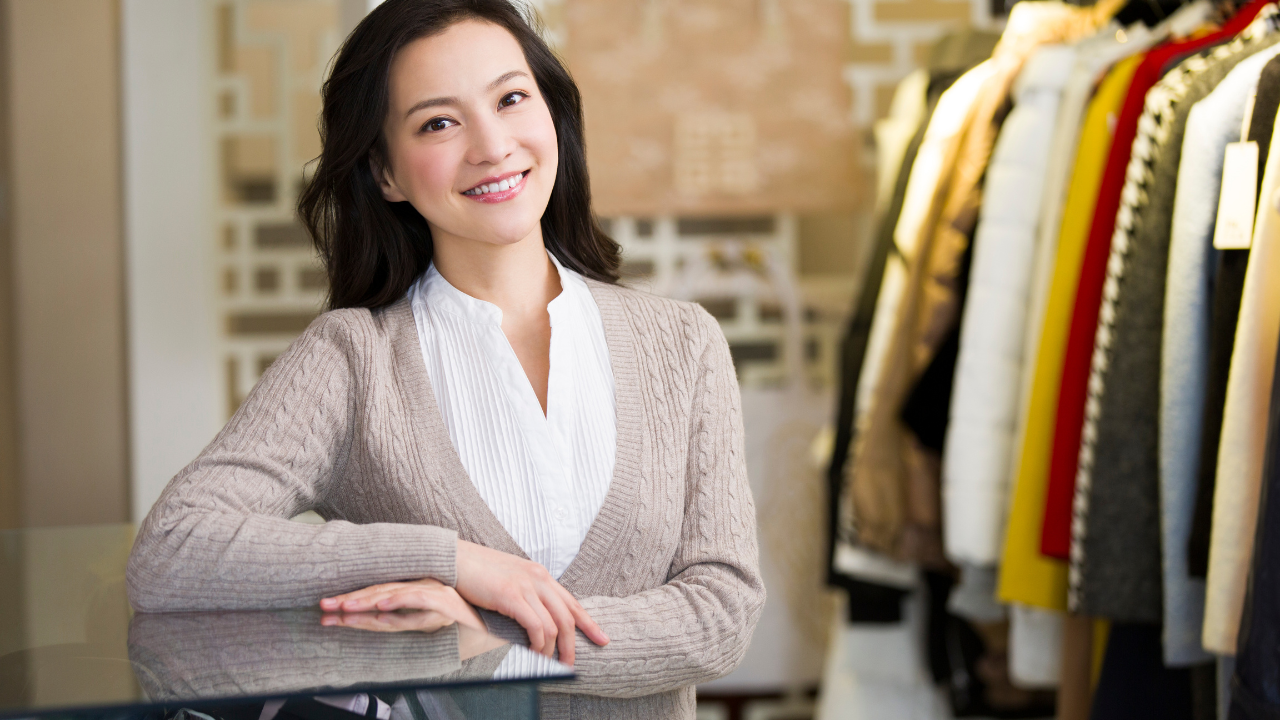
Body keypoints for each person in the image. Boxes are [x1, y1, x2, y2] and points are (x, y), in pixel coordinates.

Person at [125, 0, 764, 716]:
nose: (491, 146)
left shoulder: (682, 343)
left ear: (551, 114)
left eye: (511, 99)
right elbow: (174, 552)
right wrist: (454, 562)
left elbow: (722, 612)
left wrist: (488, 639)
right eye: (438, 122)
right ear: (386, 173)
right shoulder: (352, 358)